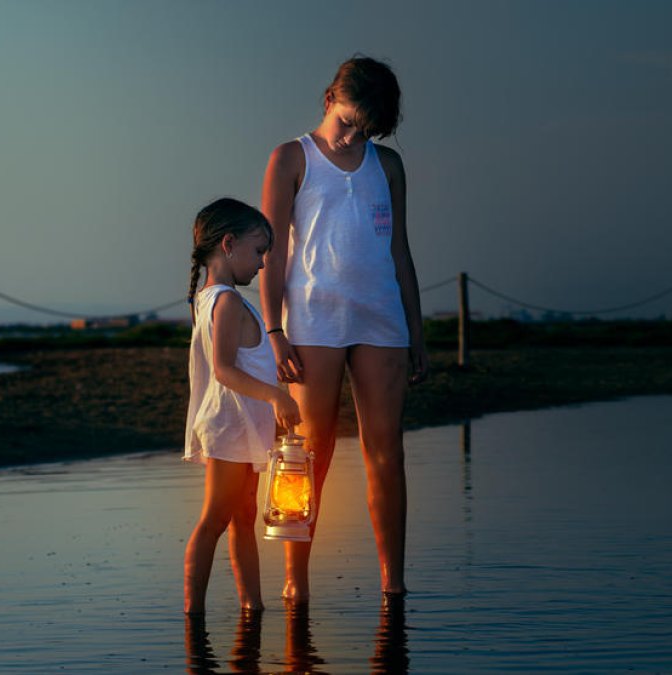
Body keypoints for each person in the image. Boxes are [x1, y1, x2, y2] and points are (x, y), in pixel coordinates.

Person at [260, 56, 427, 603]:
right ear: (330, 96)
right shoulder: (292, 157)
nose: (353, 136)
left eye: (365, 129)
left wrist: (416, 330)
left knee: (388, 452)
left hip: (382, 318)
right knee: (308, 454)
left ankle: (394, 585)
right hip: (312, 319)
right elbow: (271, 257)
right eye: (348, 121)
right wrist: (274, 331)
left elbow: (399, 251)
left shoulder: (389, 166)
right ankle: (295, 582)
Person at [183, 197, 303, 614]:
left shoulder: (213, 297)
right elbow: (223, 370)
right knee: (216, 519)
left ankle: (252, 606)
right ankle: (192, 616)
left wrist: (274, 379)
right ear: (228, 244)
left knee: (242, 520)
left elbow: (243, 363)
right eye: (258, 251)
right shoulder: (227, 301)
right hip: (229, 428)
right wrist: (275, 395)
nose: (263, 264)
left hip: (241, 429)